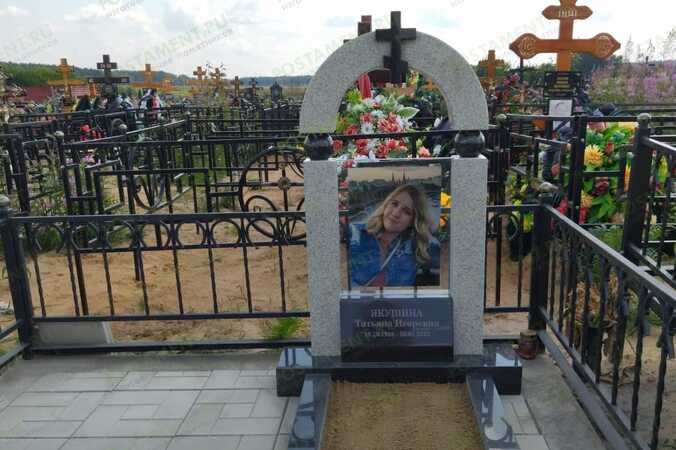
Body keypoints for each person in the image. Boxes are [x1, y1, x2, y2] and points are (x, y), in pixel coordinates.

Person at [348, 184, 440, 288]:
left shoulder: (415, 249)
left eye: (406, 212)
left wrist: (431, 226)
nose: (396, 213)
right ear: (386, 205)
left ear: (412, 222)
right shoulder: (354, 233)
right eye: (394, 204)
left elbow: (447, 252)